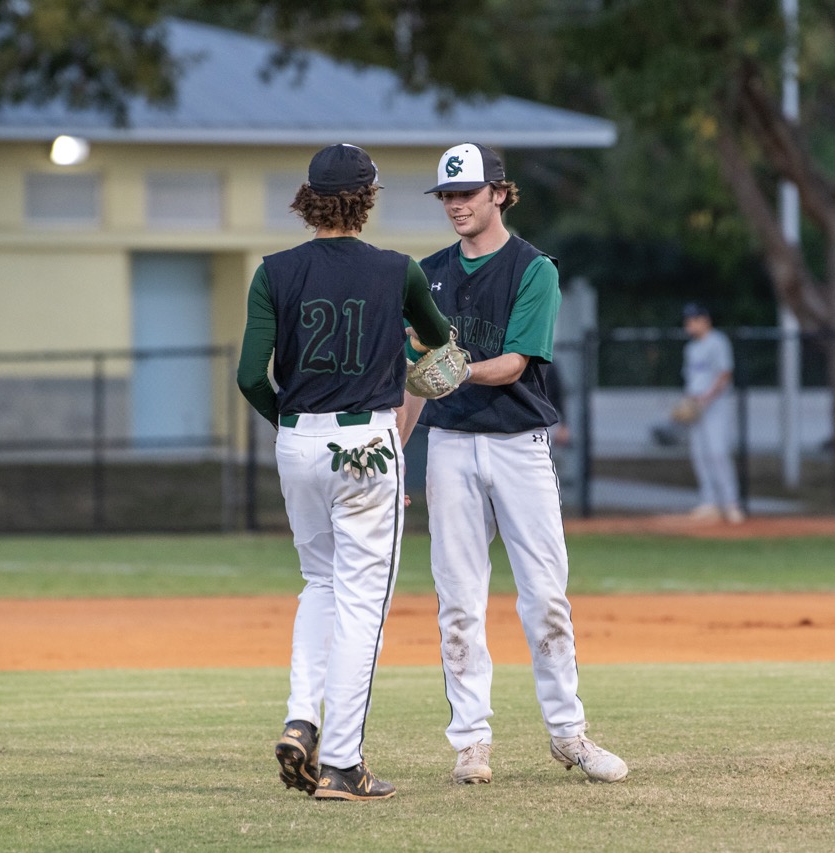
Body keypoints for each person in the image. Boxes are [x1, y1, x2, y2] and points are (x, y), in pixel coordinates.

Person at [403, 142, 627, 785]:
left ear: (500, 193)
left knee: (546, 598)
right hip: (448, 448)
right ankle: (471, 743)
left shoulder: (535, 270)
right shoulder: (428, 274)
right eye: (448, 195)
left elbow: (514, 365)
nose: (456, 205)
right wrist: (396, 451)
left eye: (468, 192)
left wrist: (458, 366)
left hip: (520, 445)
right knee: (457, 600)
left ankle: (568, 734)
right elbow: (418, 378)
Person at [236, 143, 451, 801]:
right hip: (367, 441)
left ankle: (302, 717)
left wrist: (296, 426)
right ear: (369, 197)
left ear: (308, 197)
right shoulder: (398, 270)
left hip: (297, 439)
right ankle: (342, 764)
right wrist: (419, 363)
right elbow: (445, 352)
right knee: (362, 603)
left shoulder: (274, 271)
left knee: (318, 581)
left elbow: (250, 376)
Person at [681, 302, 744, 524]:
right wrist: (689, 401)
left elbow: (724, 374)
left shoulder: (717, 342)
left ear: (704, 320)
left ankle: (731, 503)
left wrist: (706, 397)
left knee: (717, 453)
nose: (689, 325)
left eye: (692, 320)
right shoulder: (691, 348)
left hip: (716, 406)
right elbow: (691, 379)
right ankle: (710, 503)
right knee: (699, 453)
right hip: (697, 407)